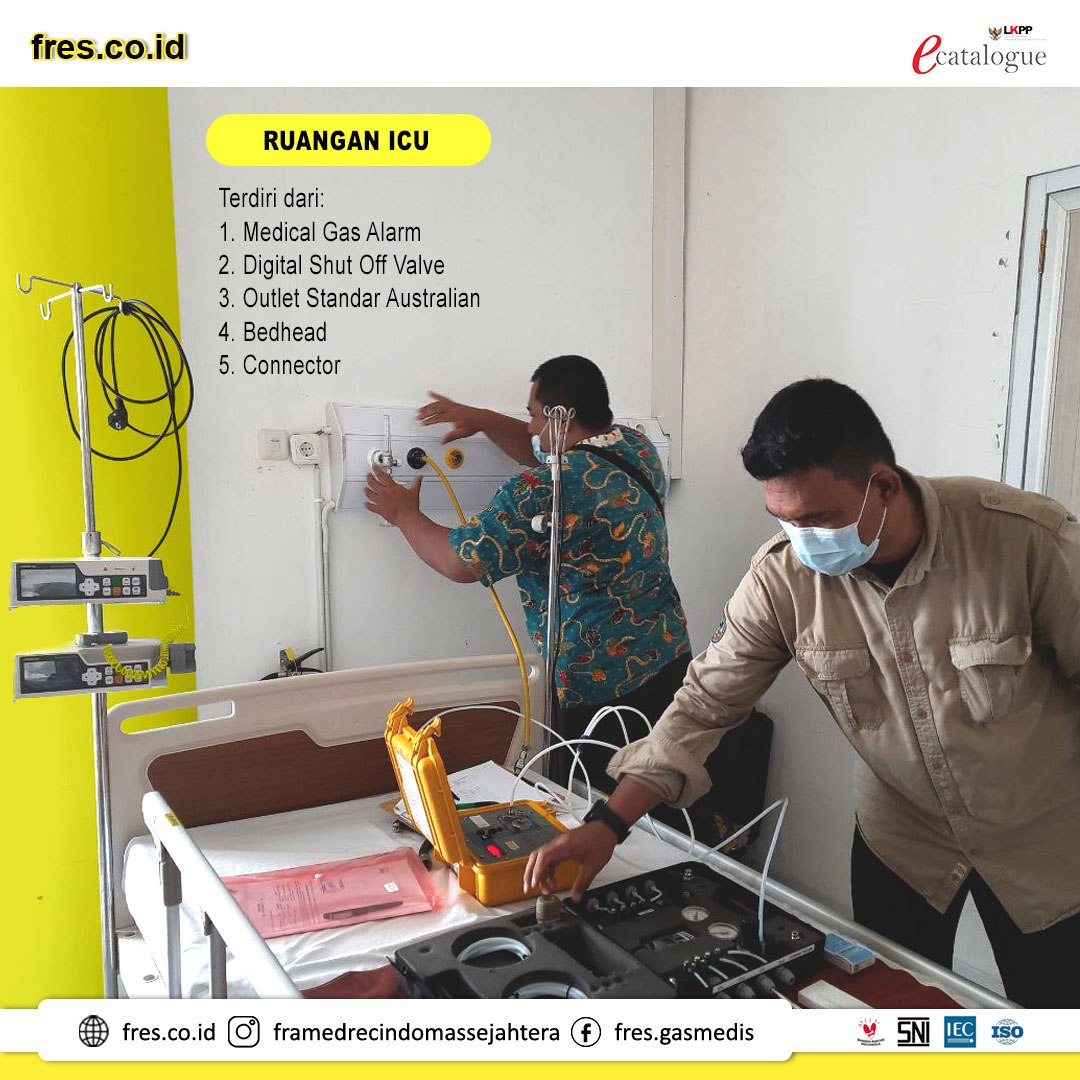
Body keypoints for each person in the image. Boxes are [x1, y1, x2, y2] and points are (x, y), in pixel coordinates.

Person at [524, 377, 1080, 1007]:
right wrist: (607, 824)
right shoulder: (784, 578)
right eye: (784, 520)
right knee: (891, 1008)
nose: (804, 540)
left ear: (883, 486)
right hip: (904, 841)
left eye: (817, 518)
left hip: (1044, 840)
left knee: (1057, 1018)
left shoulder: (1022, 541)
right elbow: (704, 705)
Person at [364, 355, 717, 837]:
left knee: (606, 819)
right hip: (668, 661)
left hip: (595, 690)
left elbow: (461, 562)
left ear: (560, 416)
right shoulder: (636, 449)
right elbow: (551, 455)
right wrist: (484, 420)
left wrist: (404, 514)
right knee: (667, 799)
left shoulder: (539, 491)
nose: (529, 427)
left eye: (533, 414)